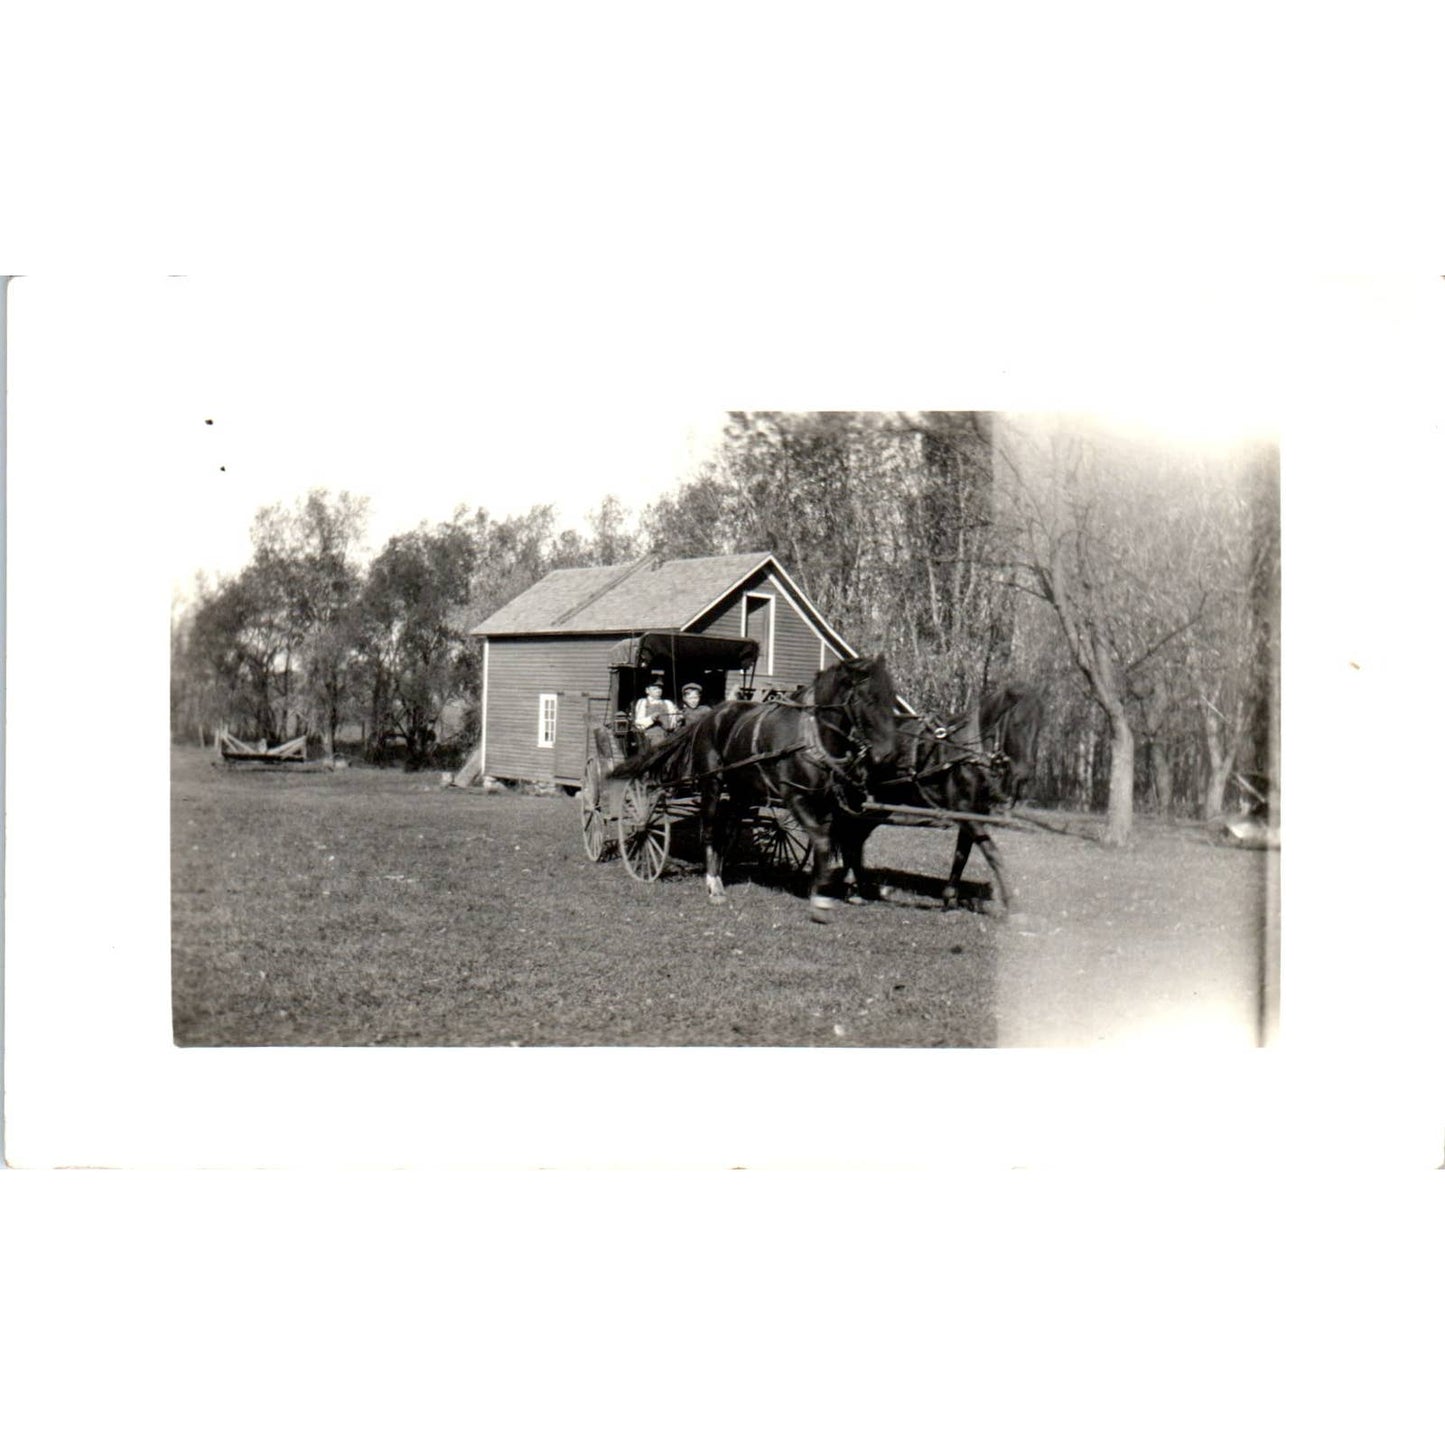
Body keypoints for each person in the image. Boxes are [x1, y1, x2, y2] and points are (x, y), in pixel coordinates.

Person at [633, 679, 679, 748]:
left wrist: (677, 719)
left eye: (660, 688)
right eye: (655, 689)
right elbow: (638, 724)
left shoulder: (668, 703)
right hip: (649, 740)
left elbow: (672, 724)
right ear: (647, 690)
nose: (658, 691)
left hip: (667, 738)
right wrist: (651, 718)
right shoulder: (643, 702)